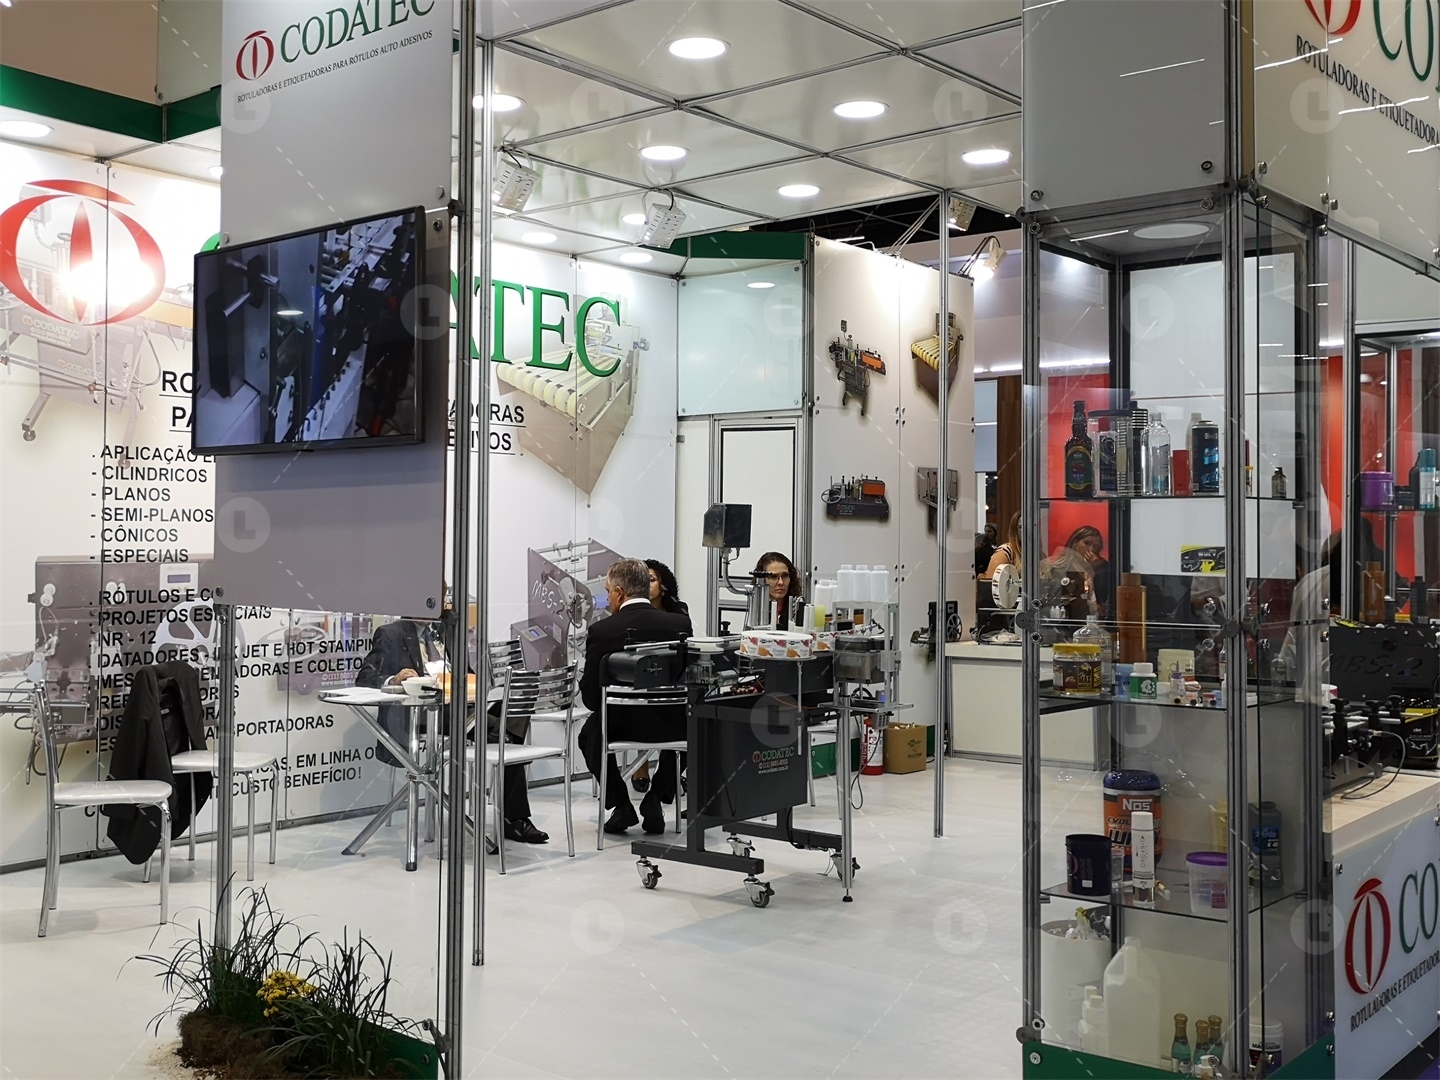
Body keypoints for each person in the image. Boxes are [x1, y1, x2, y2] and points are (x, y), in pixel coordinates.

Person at [356, 619, 549, 844]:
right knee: (502, 730)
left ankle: (503, 738)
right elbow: (364, 677)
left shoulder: (447, 632)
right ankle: (514, 817)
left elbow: (467, 675)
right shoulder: (391, 633)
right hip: (424, 711)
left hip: (460, 705)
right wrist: (394, 680)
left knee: (515, 704)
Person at [579, 559, 693, 835]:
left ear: (619, 592)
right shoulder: (680, 623)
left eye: (608, 592)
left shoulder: (603, 631)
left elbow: (591, 698)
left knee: (588, 736)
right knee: (693, 727)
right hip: (672, 724)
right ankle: (655, 797)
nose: (608, 598)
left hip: (620, 725)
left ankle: (621, 805)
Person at [631, 559, 688, 793]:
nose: (647, 585)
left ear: (663, 585)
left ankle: (665, 776)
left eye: (652, 580)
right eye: (643, 580)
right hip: (641, 677)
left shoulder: (678, 611)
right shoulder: (633, 613)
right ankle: (641, 763)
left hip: (671, 678)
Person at [752, 551, 802, 629]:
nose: (781, 582)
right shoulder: (757, 607)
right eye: (773, 577)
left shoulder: (798, 606)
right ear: (762, 580)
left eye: (785, 575)